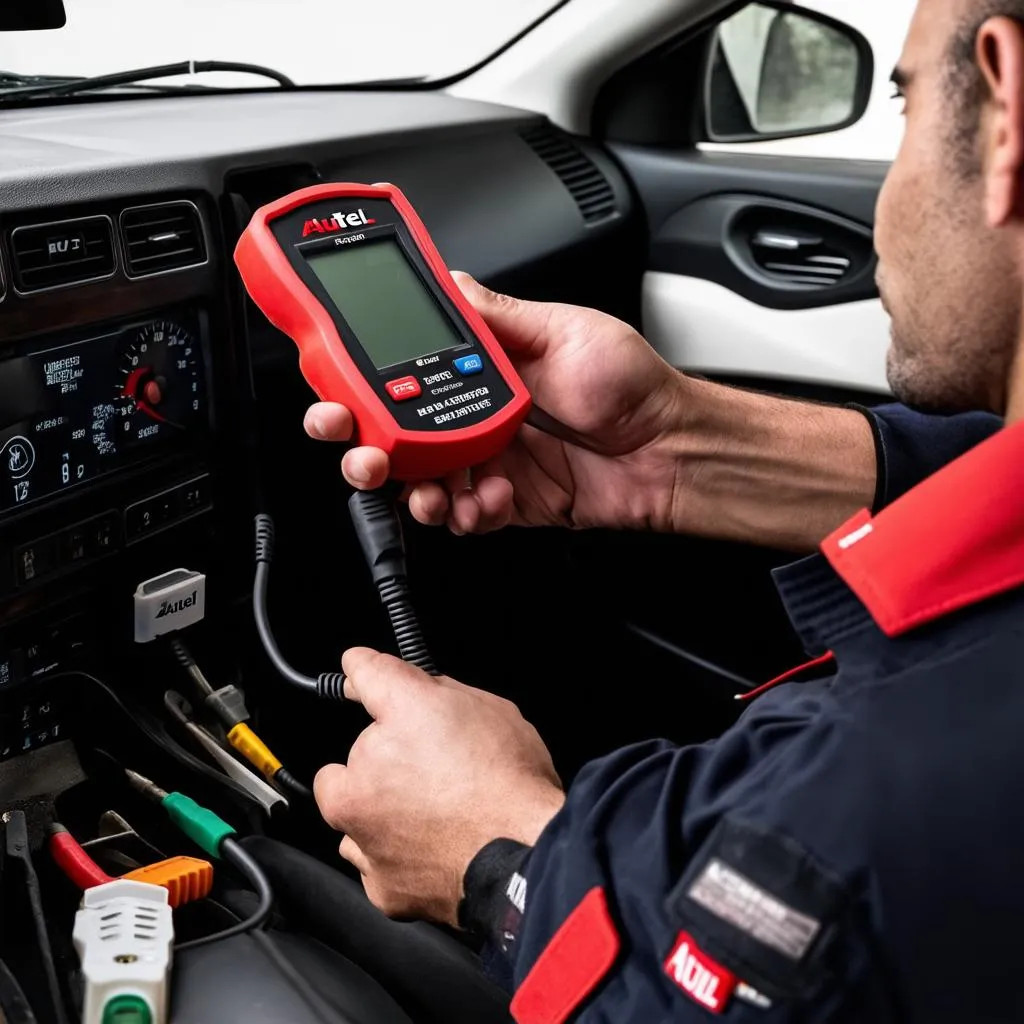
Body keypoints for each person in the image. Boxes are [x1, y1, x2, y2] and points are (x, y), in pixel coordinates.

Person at [306, 0, 1024, 1018]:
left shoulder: (874, 801)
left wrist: (495, 847)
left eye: (901, 109)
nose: (886, 198)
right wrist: (674, 448)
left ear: (1009, 113)